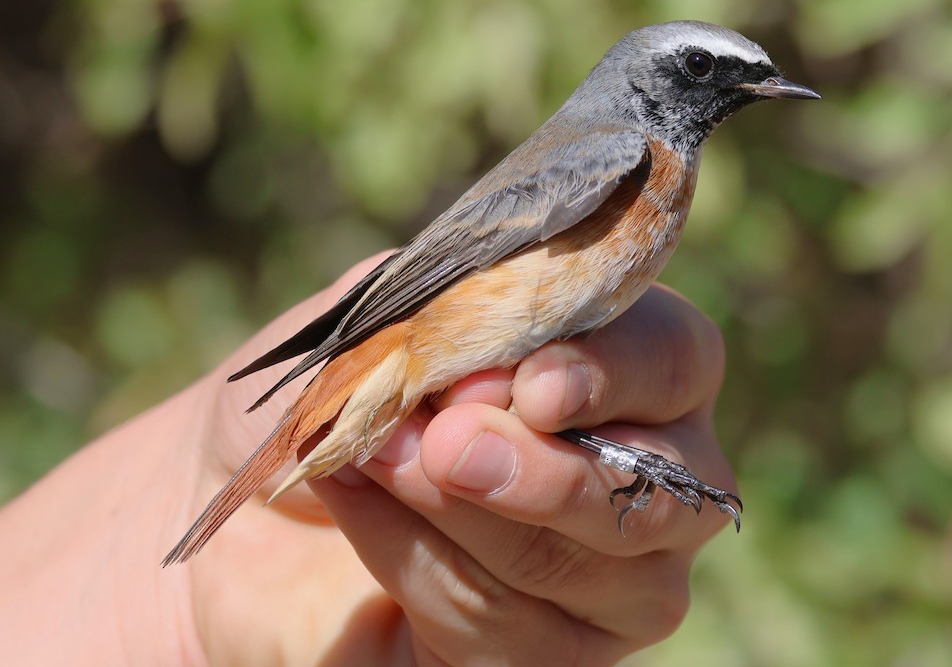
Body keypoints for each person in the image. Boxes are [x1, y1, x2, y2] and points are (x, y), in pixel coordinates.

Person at [0, 255, 735, 665]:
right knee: (534, 398)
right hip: (417, 330)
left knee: (541, 397)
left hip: (439, 347)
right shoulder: (623, 155)